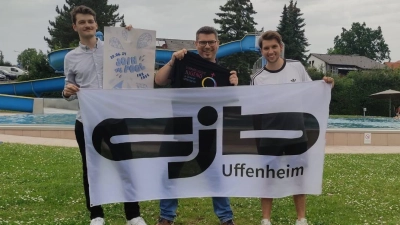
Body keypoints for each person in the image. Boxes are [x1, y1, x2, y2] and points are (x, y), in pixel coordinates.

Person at [62, 5, 147, 225]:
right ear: (75, 26)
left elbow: (137, 60)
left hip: (117, 118)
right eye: (82, 22)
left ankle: (133, 215)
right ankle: (96, 215)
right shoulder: (70, 58)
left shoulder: (113, 48)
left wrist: (131, 35)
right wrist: (67, 91)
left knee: (126, 166)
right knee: (91, 168)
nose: (87, 25)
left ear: (96, 24)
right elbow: (68, 90)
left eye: (90, 21)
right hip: (87, 121)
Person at [154, 26, 238, 225]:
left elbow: (231, 106)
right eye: (203, 42)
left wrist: (234, 86)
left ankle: (226, 218)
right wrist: (172, 61)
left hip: (207, 132)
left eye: (211, 42)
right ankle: (166, 217)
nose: (207, 46)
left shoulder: (224, 74)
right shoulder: (183, 61)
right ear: (196, 44)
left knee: (215, 175)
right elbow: (159, 80)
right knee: (170, 173)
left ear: (217, 44)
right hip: (178, 128)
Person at [250, 30, 334, 225]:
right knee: (267, 178)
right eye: (266, 48)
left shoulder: (296, 67)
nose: (270, 51)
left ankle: (301, 219)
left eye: (274, 47)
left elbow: (312, 91)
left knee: (299, 176)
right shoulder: (257, 78)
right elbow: (254, 109)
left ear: (281, 47)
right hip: (269, 135)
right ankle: (265, 219)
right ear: (261, 51)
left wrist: (326, 84)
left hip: (296, 132)